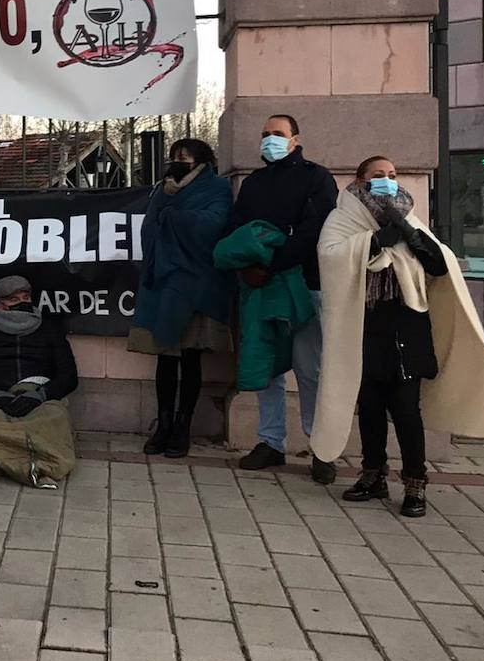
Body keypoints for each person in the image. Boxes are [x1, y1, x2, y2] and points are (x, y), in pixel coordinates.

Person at [313, 157, 484, 517]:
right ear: (360, 179)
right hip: (364, 324)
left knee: (406, 409)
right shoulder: (342, 218)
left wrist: (413, 239)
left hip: (407, 323)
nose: (387, 181)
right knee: (371, 406)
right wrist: (373, 242)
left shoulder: (408, 215)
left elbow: (440, 266)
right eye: (378, 175)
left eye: (392, 175)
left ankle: (415, 482)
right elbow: (330, 257)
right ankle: (372, 475)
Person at [226, 114, 338, 481]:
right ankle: (270, 442)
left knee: (310, 369)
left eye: (277, 134)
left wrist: (272, 262)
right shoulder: (254, 183)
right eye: (264, 134)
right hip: (259, 286)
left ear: (295, 140)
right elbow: (238, 229)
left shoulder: (316, 178)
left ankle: (320, 446)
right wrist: (246, 265)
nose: (269, 140)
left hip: (304, 282)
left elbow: (315, 229)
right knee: (268, 366)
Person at [129, 139, 233, 458]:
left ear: (201, 160)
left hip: (196, 280)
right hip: (164, 277)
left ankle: (183, 426)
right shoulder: (163, 189)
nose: (177, 161)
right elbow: (149, 227)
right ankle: (163, 423)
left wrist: (175, 219)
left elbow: (216, 223)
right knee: (165, 356)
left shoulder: (216, 187)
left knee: (190, 357)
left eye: (184, 157)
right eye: (175, 156)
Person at [0, 275, 79, 414]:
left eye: (26, 298)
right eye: (14, 300)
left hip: (41, 399)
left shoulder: (50, 329)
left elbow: (69, 376)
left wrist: (40, 395)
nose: (23, 303)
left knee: (50, 426)